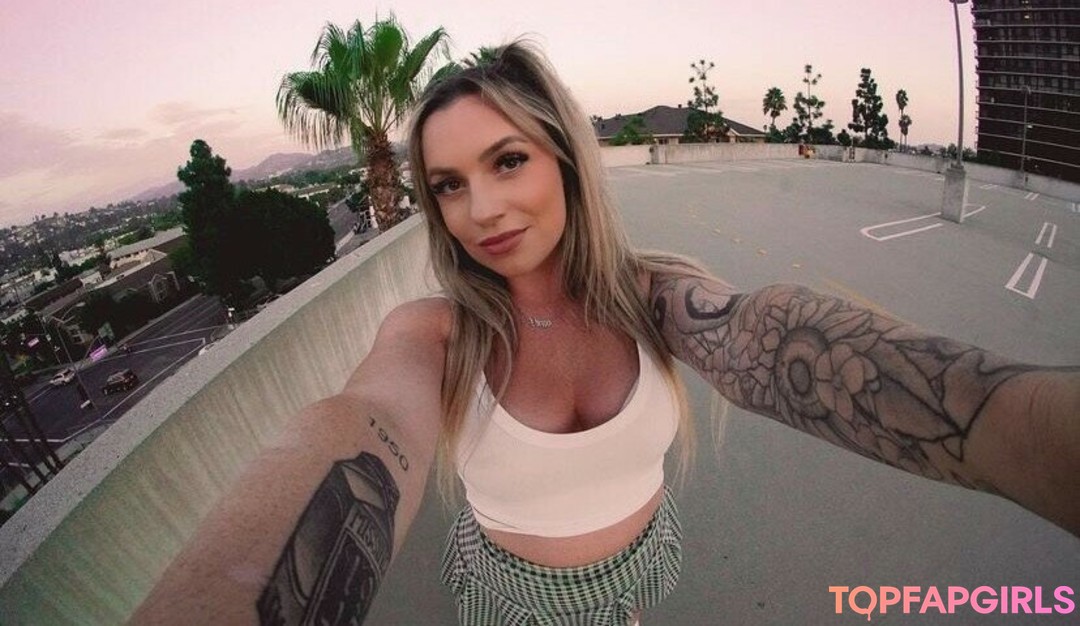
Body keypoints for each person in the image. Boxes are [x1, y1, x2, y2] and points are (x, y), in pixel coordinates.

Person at [132, 41, 1079, 625]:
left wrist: (1021, 428)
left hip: (640, 563)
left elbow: (766, 336)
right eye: (450, 185)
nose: (481, 209)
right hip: (511, 599)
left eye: (508, 161)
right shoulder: (434, 336)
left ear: (565, 160)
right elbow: (358, 427)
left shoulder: (656, 298)